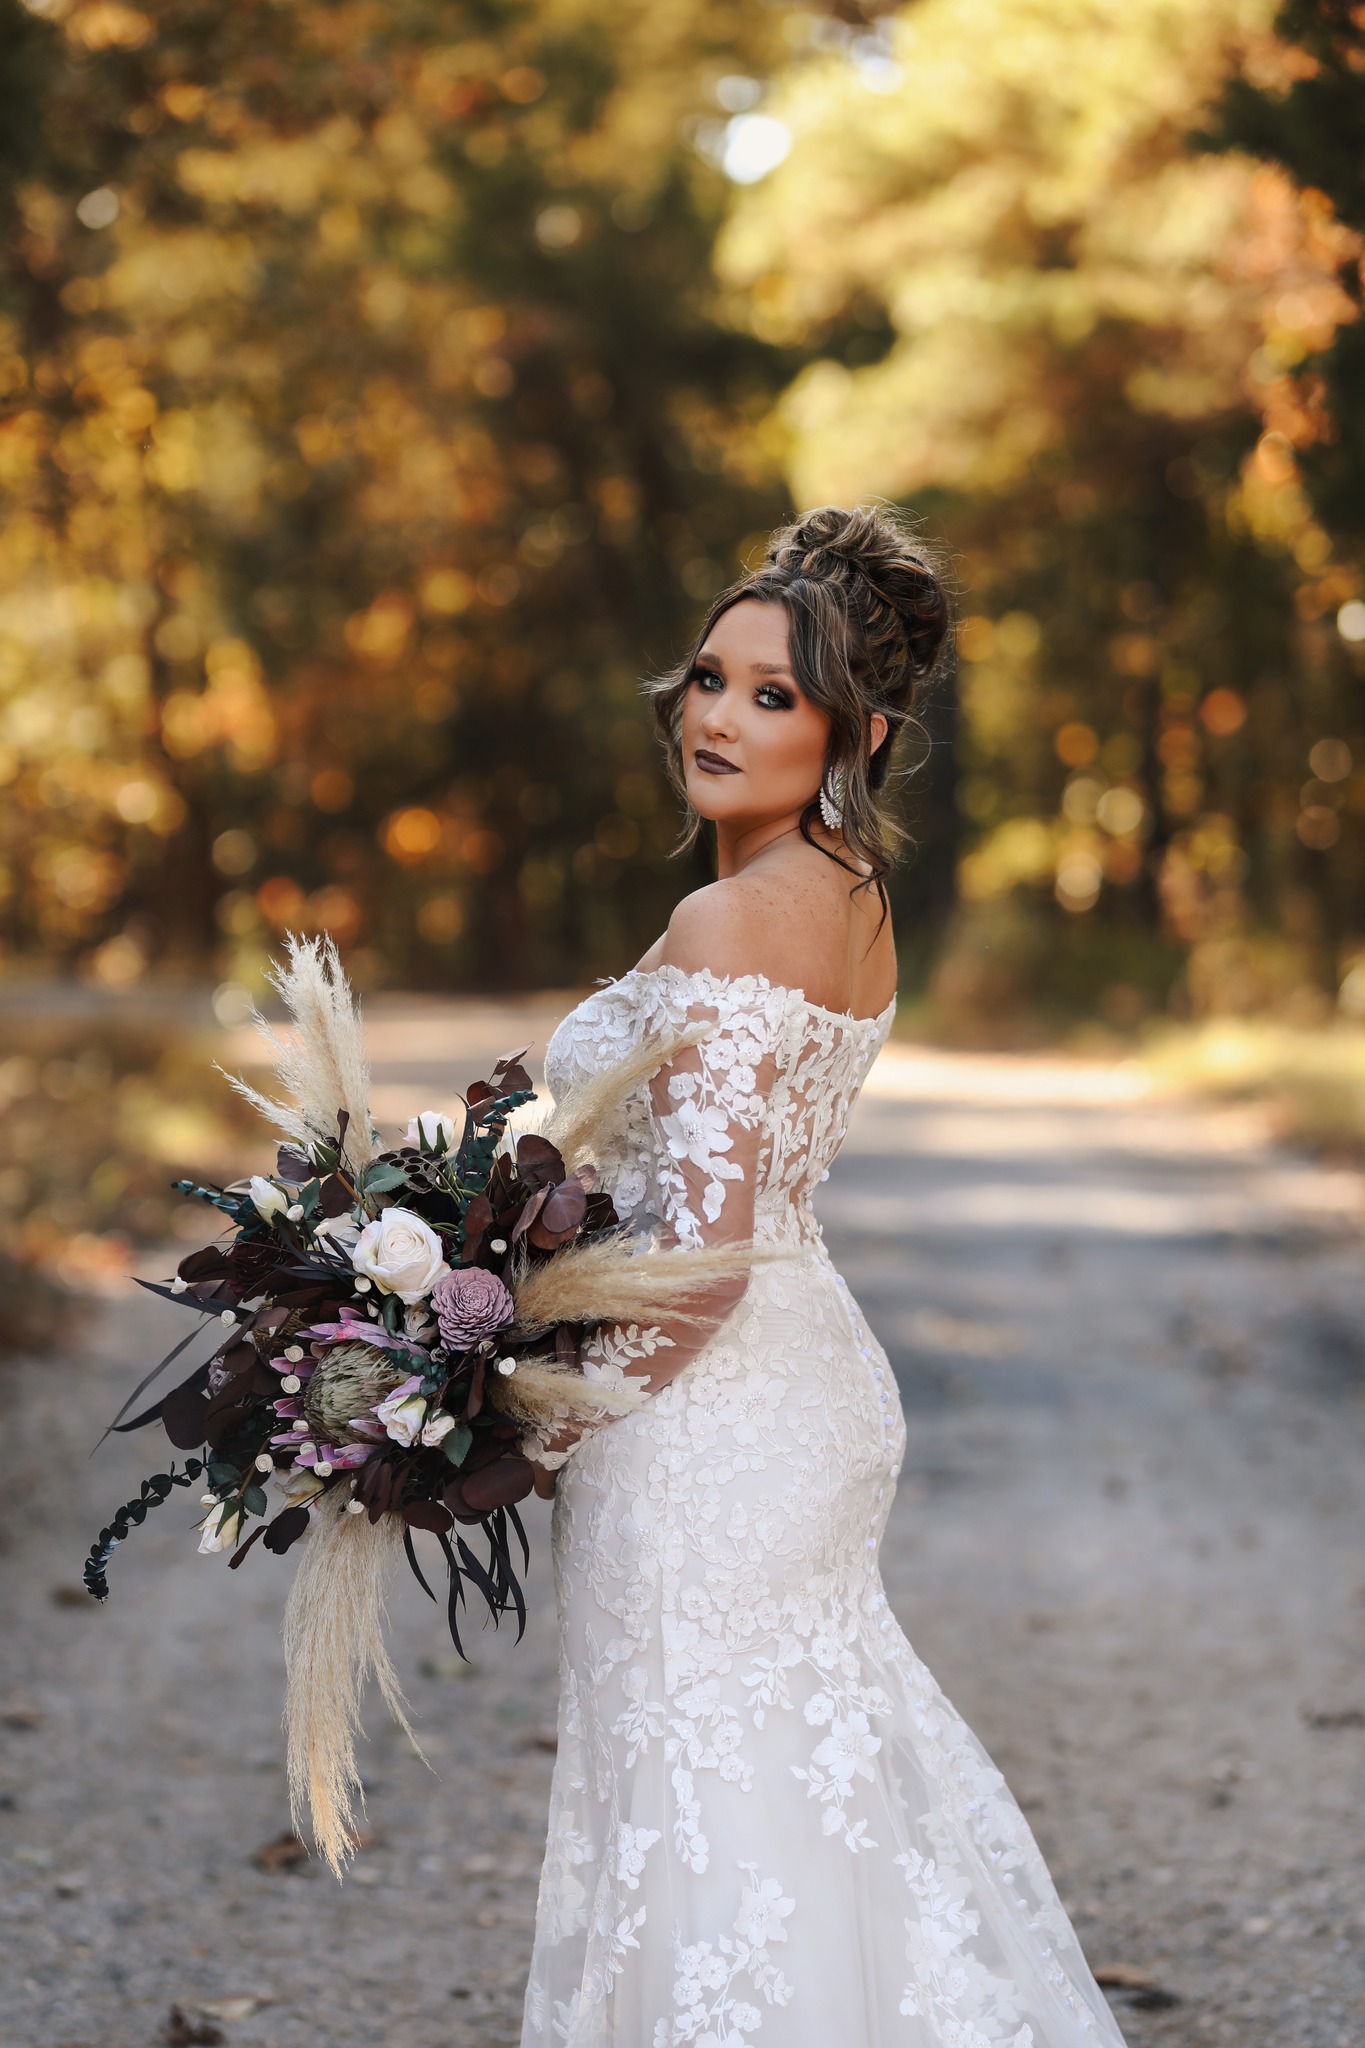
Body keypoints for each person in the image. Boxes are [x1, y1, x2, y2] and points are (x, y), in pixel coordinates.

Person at [519, 506, 1127, 2047]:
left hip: (713, 1410)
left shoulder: (730, 917)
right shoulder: (851, 896)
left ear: (852, 729)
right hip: (802, 1385)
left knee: (711, 1797)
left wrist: (533, 1422)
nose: (718, 717)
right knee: (790, 1778)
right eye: (708, 681)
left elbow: (703, 1254)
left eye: (771, 695)